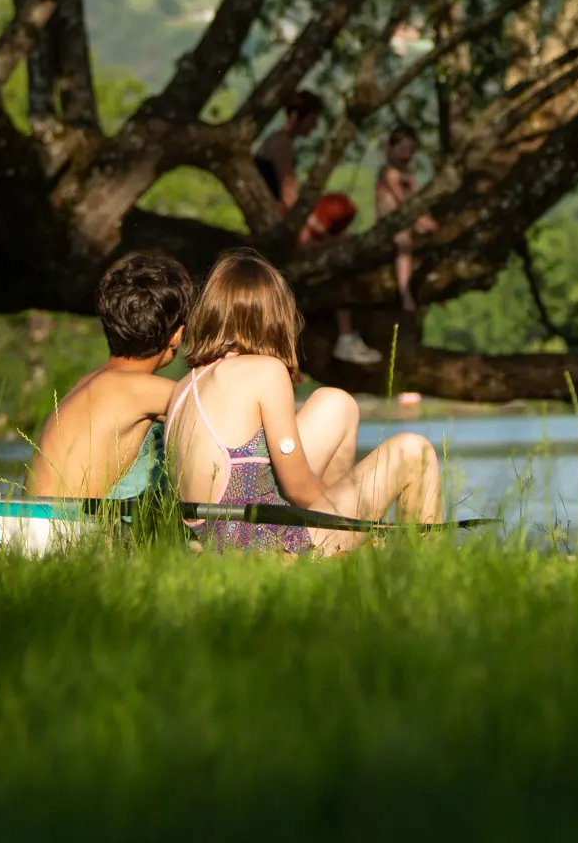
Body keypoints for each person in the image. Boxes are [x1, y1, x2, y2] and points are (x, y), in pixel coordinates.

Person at [164, 249, 442, 556]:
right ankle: (424, 573)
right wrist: (362, 525)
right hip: (264, 549)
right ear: (272, 318)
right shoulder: (264, 370)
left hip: (209, 546)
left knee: (336, 403)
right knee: (414, 452)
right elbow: (298, 487)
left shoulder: (184, 387)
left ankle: (342, 560)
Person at [26, 253, 194, 500]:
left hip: (27, 518)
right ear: (177, 335)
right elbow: (214, 413)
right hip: (62, 526)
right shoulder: (141, 390)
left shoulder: (89, 381)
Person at [255, 91, 382, 365]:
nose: (314, 127)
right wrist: (309, 229)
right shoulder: (281, 144)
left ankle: (346, 333)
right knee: (336, 258)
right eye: (312, 120)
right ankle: (346, 336)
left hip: (280, 220)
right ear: (299, 117)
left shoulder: (276, 141)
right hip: (283, 223)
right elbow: (288, 194)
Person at [374, 124, 439, 313]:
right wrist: (419, 219)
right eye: (402, 149)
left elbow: (417, 198)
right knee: (404, 242)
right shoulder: (388, 172)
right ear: (390, 148)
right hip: (391, 221)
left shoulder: (408, 173)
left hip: (407, 218)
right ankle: (405, 292)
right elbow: (401, 200)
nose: (406, 154)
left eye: (410, 150)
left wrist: (424, 218)